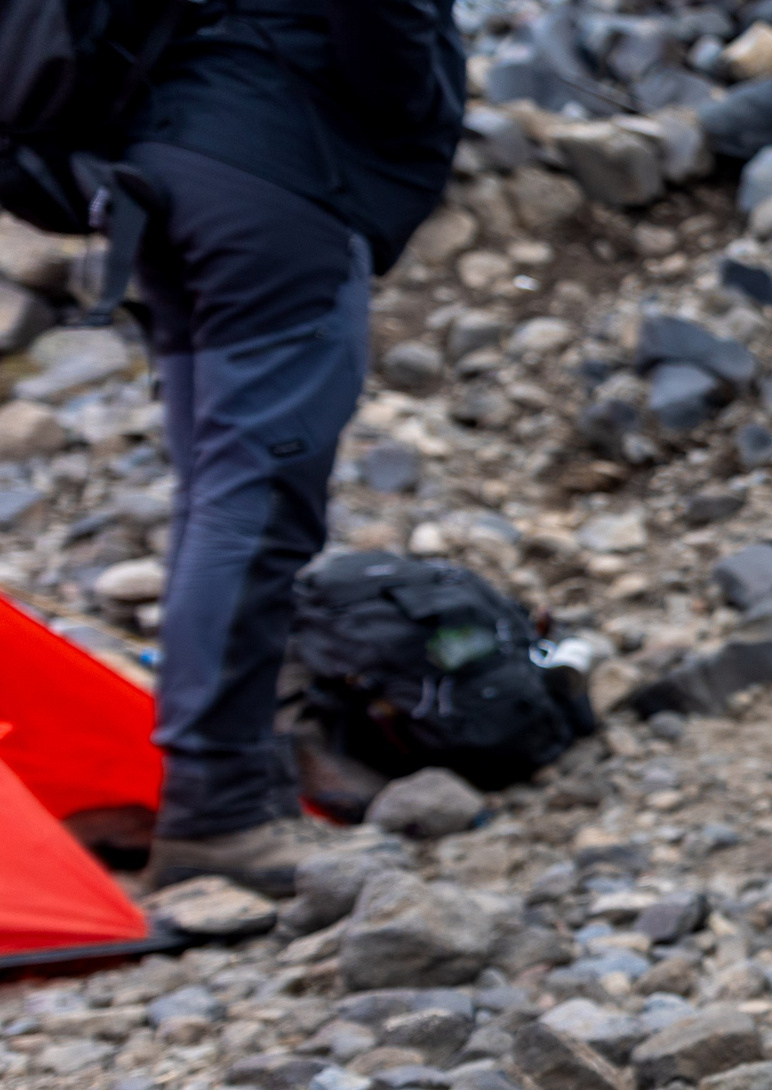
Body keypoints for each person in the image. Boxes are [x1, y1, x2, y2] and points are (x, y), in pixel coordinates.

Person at [131, 0, 466, 894]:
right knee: (253, 500)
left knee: (216, 493)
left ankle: (243, 779)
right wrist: (409, 118)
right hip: (278, 177)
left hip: (168, 160)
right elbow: (385, 37)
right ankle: (218, 811)